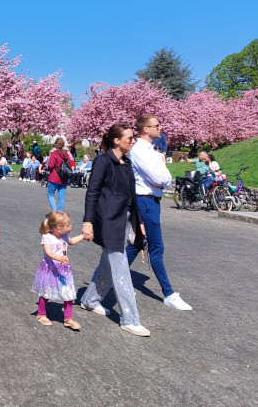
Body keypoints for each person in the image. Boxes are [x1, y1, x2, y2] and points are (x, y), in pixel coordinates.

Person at [79, 123, 150, 337]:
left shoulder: (126, 163)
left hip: (125, 220)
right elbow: (92, 193)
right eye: (130, 138)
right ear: (117, 141)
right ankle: (130, 319)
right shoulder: (102, 161)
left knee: (107, 264)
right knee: (120, 268)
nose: (133, 141)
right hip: (108, 222)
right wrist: (88, 222)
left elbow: (132, 196)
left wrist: (139, 222)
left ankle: (89, 300)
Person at [127, 114, 192, 311]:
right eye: (156, 125)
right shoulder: (139, 150)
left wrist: (162, 179)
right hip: (145, 201)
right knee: (156, 247)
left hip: (152, 201)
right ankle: (168, 293)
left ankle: (108, 279)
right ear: (146, 129)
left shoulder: (151, 150)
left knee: (137, 244)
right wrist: (162, 179)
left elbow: (166, 176)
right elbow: (158, 177)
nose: (160, 128)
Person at [32, 211, 86, 329]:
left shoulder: (64, 236)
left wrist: (83, 236)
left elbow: (72, 241)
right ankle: (41, 314)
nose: (71, 226)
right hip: (50, 269)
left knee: (69, 293)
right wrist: (59, 258)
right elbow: (49, 253)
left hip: (63, 270)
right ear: (58, 228)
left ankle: (68, 318)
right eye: (68, 225)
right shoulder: (47, 237)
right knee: (46, 292)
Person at [46, 138, 75, 211]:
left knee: (50, 194)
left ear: (56, 144)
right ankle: (60, 212)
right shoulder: (66, 154)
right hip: (64, 178)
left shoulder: (54, 154)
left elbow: (50, 166)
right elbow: (70, 163)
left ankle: (54, 210)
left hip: (54, 177)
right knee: (61, 197)